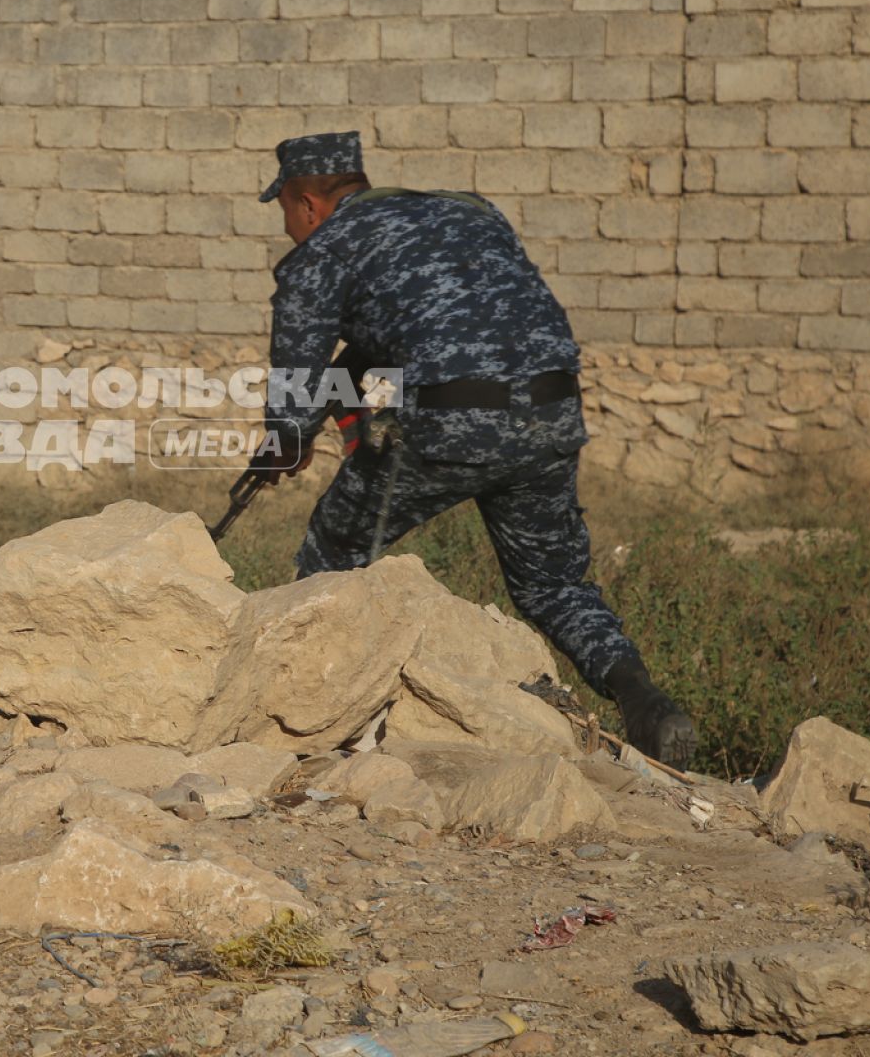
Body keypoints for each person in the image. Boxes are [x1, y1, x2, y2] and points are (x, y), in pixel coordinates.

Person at [249, 131, 696, 766]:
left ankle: (303, 723)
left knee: (335, 552)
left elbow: (298, 377)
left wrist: (283, 443)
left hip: (450, 419)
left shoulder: (326, 247)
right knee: (555, 586)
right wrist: (325, 408)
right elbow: (411, 333)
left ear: (307, 204)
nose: (291, 227)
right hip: (551, 408)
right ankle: (640, 696)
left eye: (286, 212)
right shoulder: (470, 212)